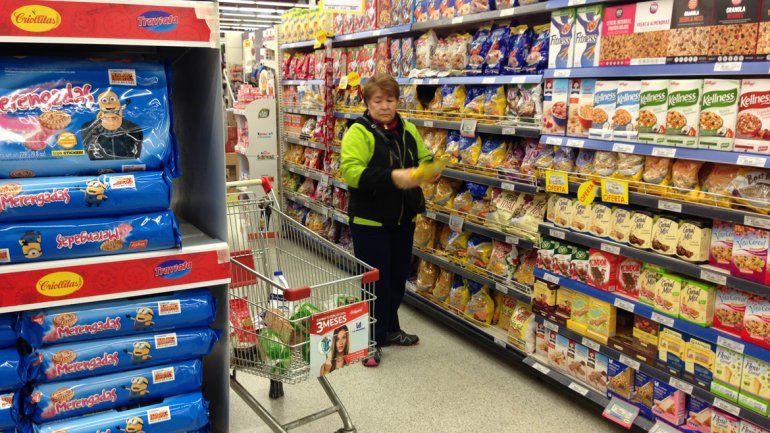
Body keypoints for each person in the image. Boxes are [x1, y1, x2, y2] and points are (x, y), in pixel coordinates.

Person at [340, 73, 436, 367]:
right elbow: (352, 172)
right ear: (368, 102)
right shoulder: (358, 132)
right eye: (378, 100)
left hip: (403, 219)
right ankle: (369, 340)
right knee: (375, 285)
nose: (384, 106)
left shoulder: (407, 129)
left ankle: (390, 329)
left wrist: (429, 169)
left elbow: (424, 157)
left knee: (396, 280)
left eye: (390, 100)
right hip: (370, 222)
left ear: (397, 102)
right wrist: (394, 177)